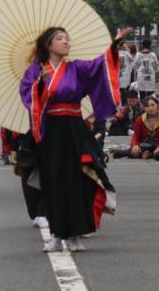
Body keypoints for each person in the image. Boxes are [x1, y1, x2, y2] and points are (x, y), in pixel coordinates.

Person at [19, 25, 129, 253]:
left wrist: (115, 43)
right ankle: (58, 235)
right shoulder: (36, 70)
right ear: (48, 45)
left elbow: (101, 65)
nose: (66, 42)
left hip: (74, 128)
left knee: (78, 180)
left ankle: (76, 234)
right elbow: (28, 96)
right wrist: (41, 83)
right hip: (51, 131)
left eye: (67, 39)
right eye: (60, 39)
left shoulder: (77, 67)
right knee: (54, 182)